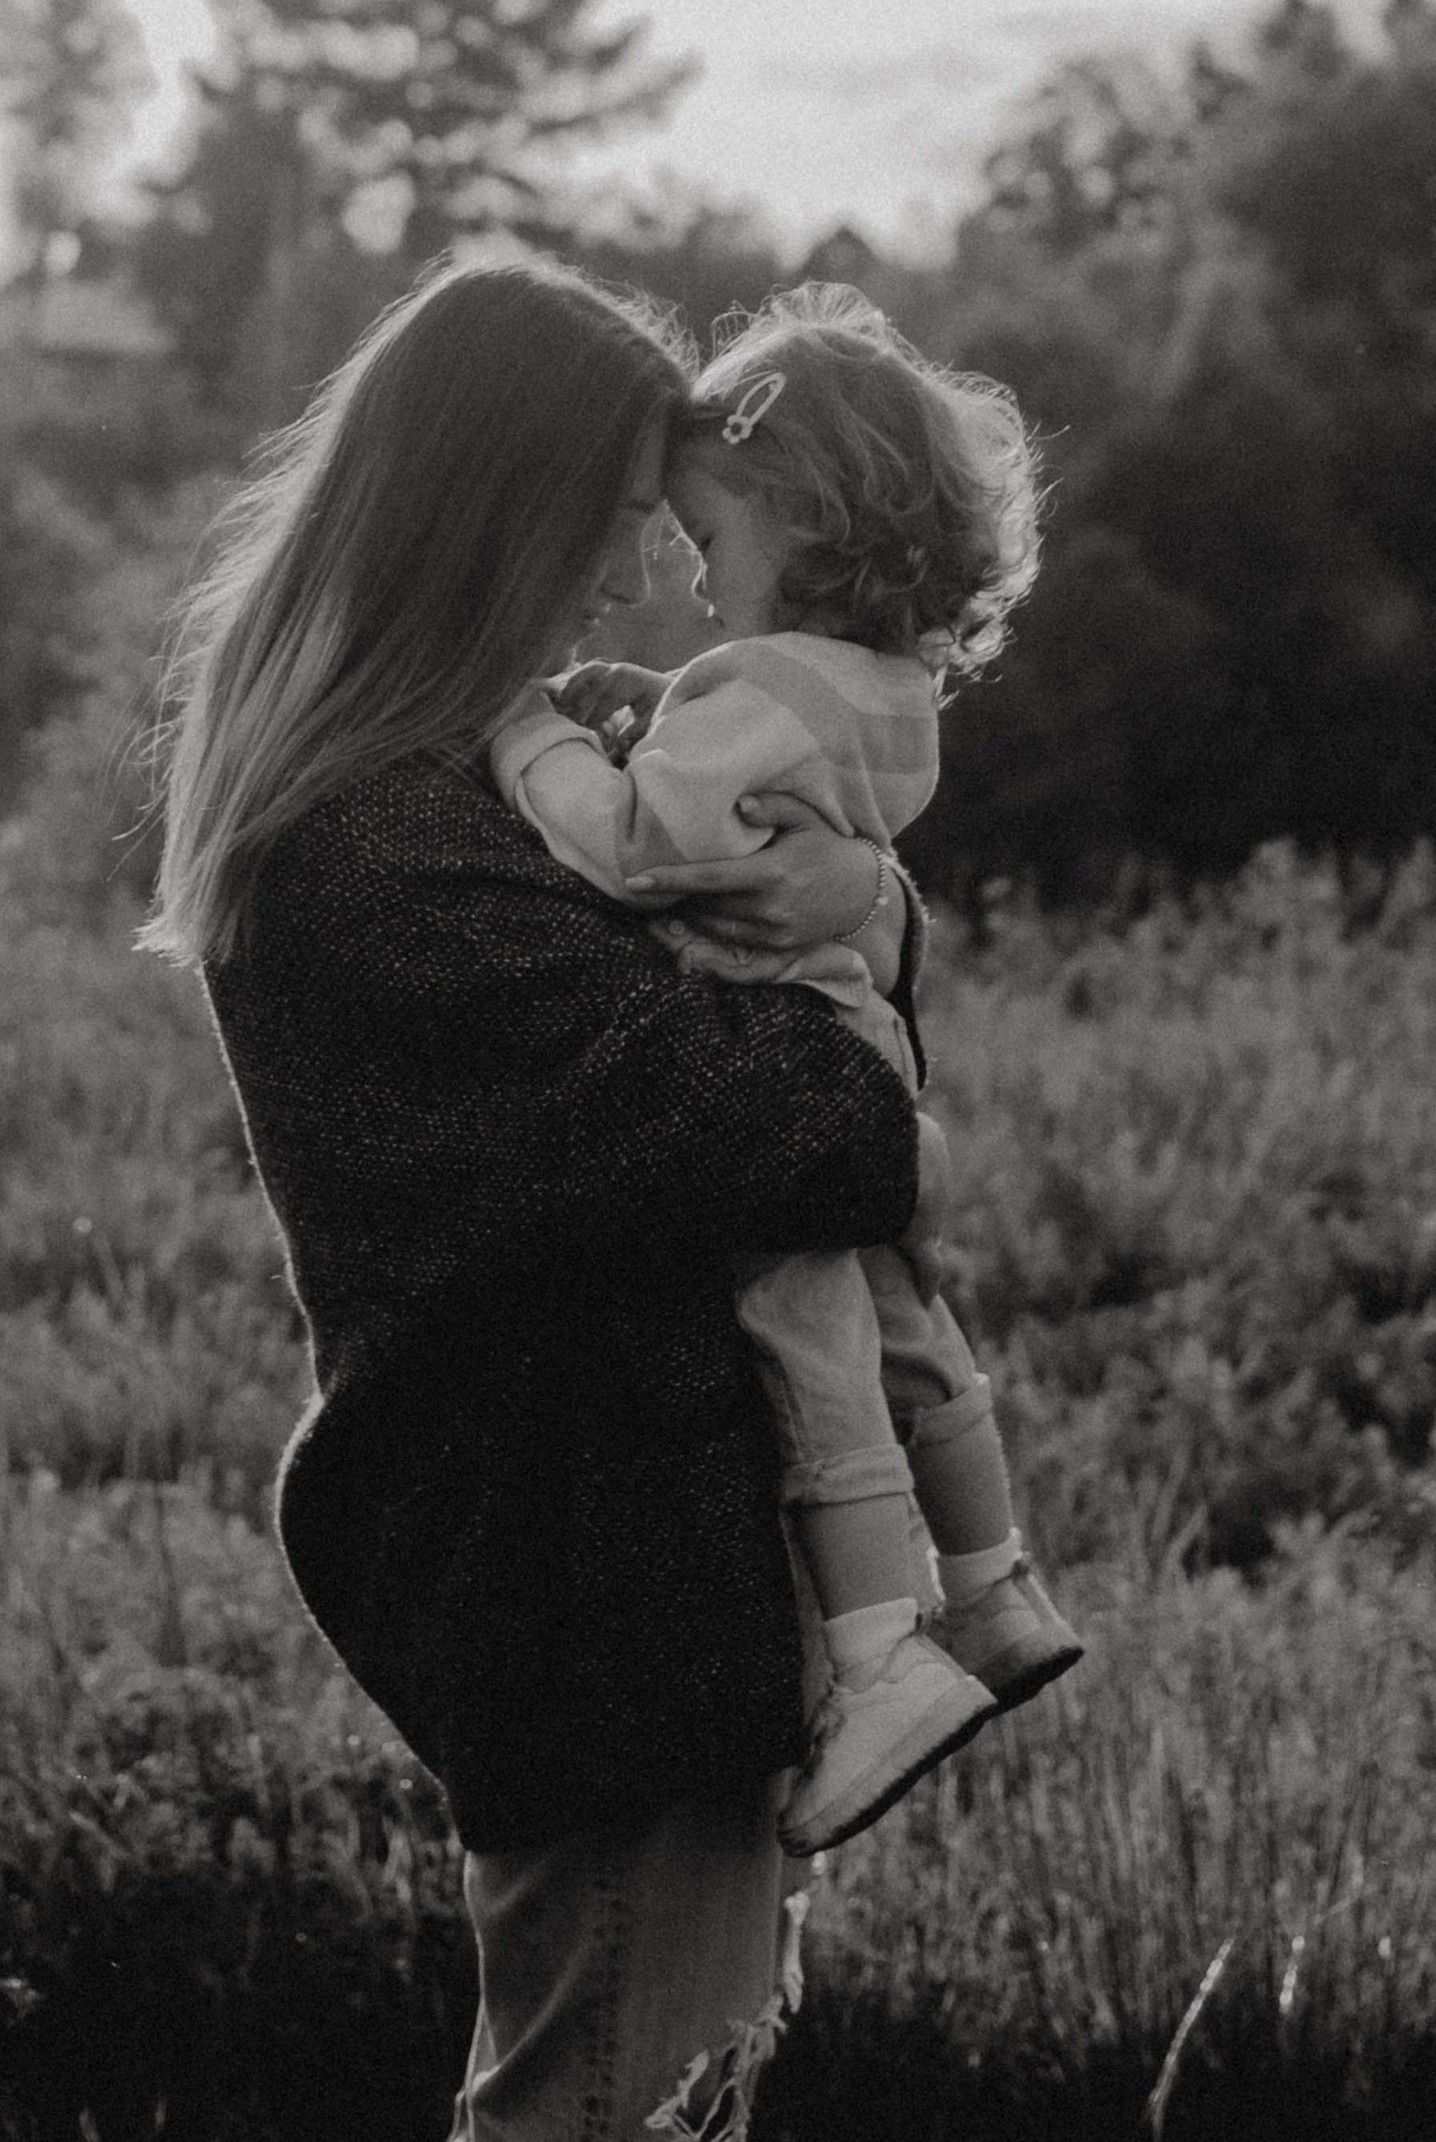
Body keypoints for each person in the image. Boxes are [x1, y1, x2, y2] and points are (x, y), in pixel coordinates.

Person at [146, 248, 940, 2139]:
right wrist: (873, 925)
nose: (629, 583)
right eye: (598, 531)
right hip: (585, 1587)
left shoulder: (444, 795)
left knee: (640, 2098)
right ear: (488, 521)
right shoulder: (381, 848)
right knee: (601, 2114)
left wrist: (859, 925)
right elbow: (826, 1132)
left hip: (619, 1573)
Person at [490, 283, 1082, 1859]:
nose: (687, 583)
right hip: (855, 1035)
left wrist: (529, 744)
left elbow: (646, 846)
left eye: (701, 537)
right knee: (908, 1330)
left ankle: (884, 1659)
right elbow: (774, 825)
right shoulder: (889, 692)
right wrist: (666, 729)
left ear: (795, 507)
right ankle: (995, 1583)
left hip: (766, 1051)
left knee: (805, 1340)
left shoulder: (755, 685)